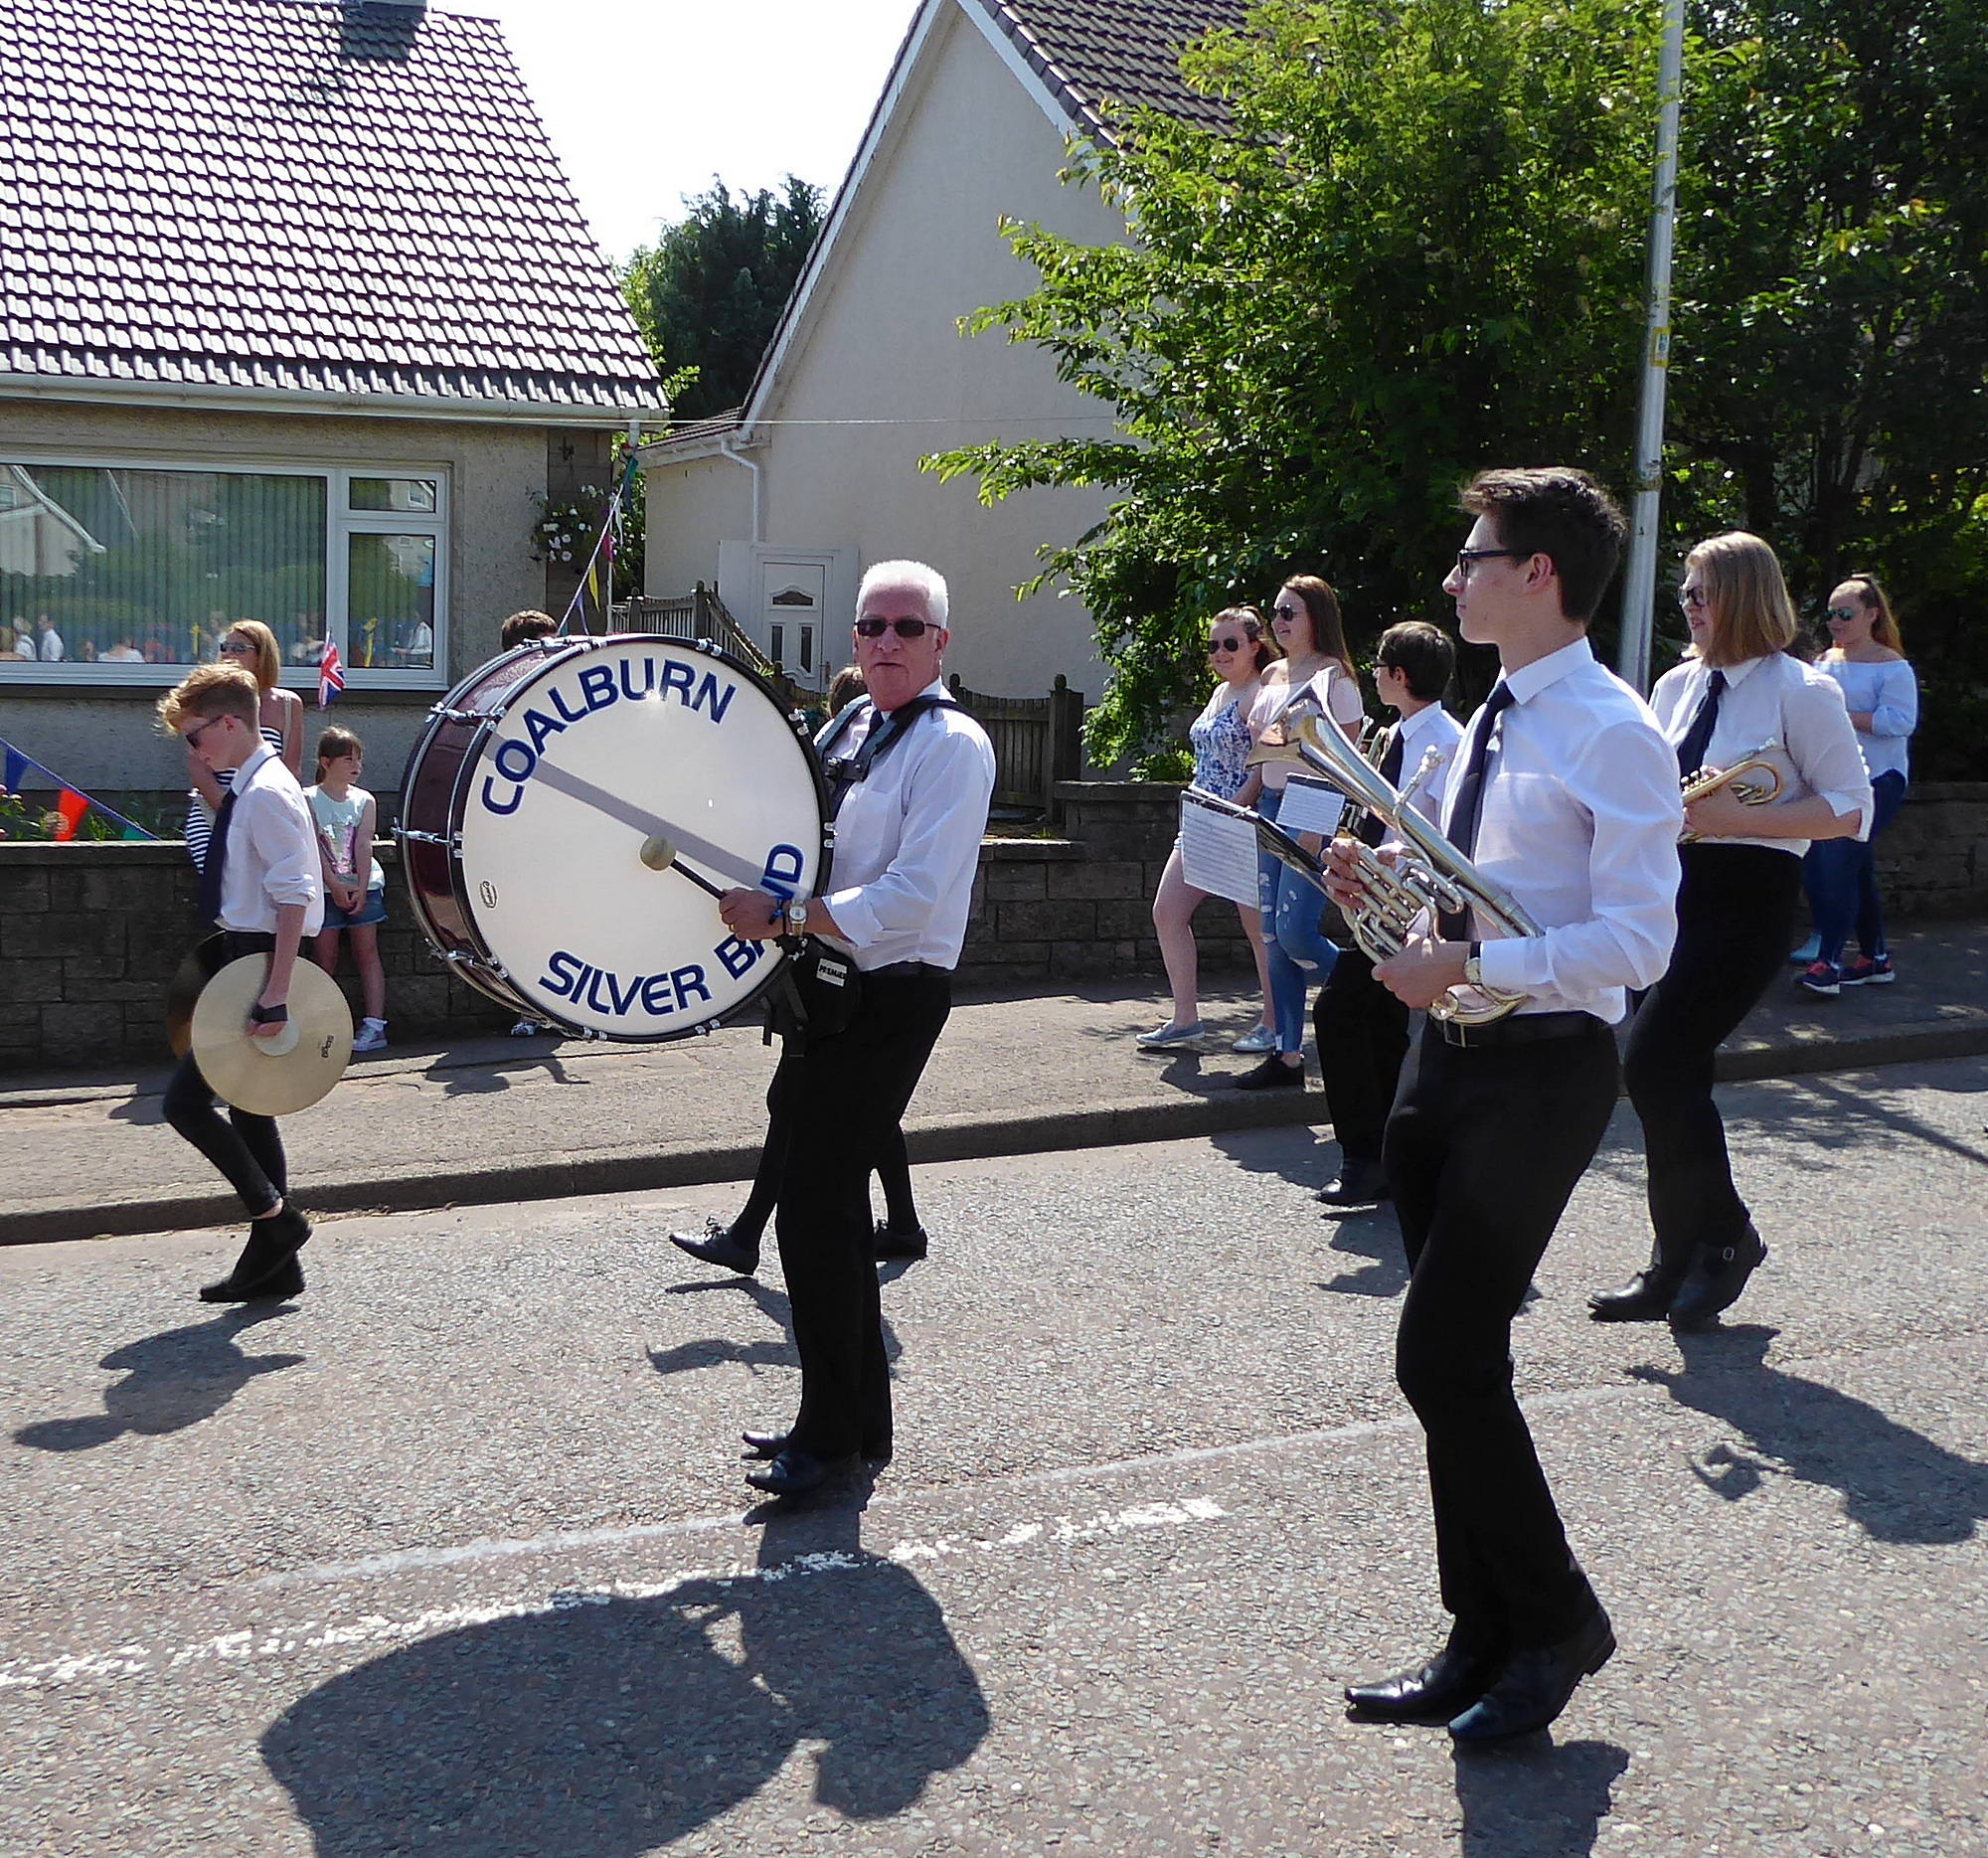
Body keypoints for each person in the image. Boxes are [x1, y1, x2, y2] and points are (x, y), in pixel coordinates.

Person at [1326, 467, 1682, 1743]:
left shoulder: (1612, 730)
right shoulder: (1485, 721)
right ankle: (1478, 1632)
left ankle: (1558, 1622)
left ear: (1538, 574)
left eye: (1473, 554)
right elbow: (1459, 890)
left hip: (1539, 1070)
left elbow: (1637, 942)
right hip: (1448, 1058)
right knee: (1455, 1371)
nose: (1452, 576)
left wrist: (1468, 965)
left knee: (1439, 1356)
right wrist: (1386, 886)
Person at [707, 560, 994, 1501]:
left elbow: (912, 896)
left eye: (907, 628)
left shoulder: (954, 745)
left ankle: (828, 1435)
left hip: (894, 993)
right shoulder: (854, 725)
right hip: (826, 991)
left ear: (941, 643)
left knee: (816, 1212)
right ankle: (861, 1420)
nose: (884, 641)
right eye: (871, 626)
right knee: (817, 1199)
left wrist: (786, 914)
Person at [1592, 533, 1870, 1332]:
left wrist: (1731, 817)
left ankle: (1725, 1236)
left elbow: (1850, 808)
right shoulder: (1679, 683)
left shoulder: (1802, 690)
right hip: (1665, 894)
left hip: (1746, 898)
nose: (1688, 605)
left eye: (1700, 593)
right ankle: (1676, 1257)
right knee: (1671, 1084)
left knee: (1653, 1064)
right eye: (1685, 591)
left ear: (1744, 598)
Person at [670, 664, 932, 1270]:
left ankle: (748, 1236)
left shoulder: (931, 743)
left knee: (799, 1101)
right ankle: (902, 1226)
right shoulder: (845, 740)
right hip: (823, 948)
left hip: (840, 953)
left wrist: (788, 916)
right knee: (848, 1105)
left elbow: (906, 887)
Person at [156, 664, 324, 1302]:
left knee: (184, 1104)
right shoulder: (253, 788)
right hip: (243, 952)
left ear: (229, 723)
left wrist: (276, 993)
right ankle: (276, 1268)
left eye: (195, 736)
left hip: (261, 959)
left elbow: (294, 900)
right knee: (250, 1111)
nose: (193, 749)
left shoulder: (270, 794)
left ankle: (278, 1221)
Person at [1311, 620, 1463, 1208]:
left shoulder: (1445, 742)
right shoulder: (1394, 736)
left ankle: (1362, 1157)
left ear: (1398, 676)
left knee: (1338, 1013)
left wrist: (1383, 860)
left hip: (1412, 911)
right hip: (1378, 903)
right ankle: (1393, 1154)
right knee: (1379, 1027)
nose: (1374, 674)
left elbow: (1444, 836)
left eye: (1379, 666)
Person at [1231, 576, 1364, 1089]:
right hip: (1270, 803)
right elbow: (1266, 756)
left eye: (1292, 613)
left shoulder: (1336, 679)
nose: (1281, 622)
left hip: (1310, 805)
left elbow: (1344, 765)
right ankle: (1288, 1056)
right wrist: (1239, 803)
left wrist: (1316, 825)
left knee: (1295, 930)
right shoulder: (1274, 675)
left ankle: (1369, 991)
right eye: (1277, 612)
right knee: (1271, 936)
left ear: (1317, 618)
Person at [1135, 607, 1278, 1053]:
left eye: (1230, 644)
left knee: (1258, 930)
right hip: (1201, 820)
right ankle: (1185, 1019)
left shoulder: (1260, 694)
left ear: (1255, 645)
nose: (1220, 652)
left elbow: (1264, 763)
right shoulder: (1221, 692)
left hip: (1239, 823)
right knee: (1167, 912)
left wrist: (1238, 806)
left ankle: (1274, 1024)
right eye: (1214, 645)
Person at [1795, 574, 1917, 993]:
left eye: (1844, 613)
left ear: (1871, 615)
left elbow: (1900, 722)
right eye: (1830, 613)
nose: (1835, 621)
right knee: (1855, 869)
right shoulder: (1823, 662)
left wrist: (1841, 719)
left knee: (1838, 864)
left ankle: (1829, 962)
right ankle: (1875, 958)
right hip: (1832, 780)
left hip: (1879, 781)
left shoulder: (1892, 666)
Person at [185, 621, 303, 877]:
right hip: (214, 809)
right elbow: (197, 766)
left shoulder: (288, 704)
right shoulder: (206, 700)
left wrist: (260, 815)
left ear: (262, 655)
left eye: (239, 648)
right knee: (225, 879)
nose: (229, 654)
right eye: (225, 647)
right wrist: (232, 813)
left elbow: (291, 769)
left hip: (265, 808)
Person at [307, 726, 390, 1055]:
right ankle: (323, 1026)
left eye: (358, 760)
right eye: (347, 759)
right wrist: (334, 886)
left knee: (367, 953)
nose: (356, 766)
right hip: (326, 892)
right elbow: (312, 846)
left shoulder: (364, 800)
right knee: (324, 957)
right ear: (326, 763)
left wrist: (359, 884)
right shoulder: (307, 798)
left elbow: (364, 845)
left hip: (364, 889)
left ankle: (375, 1024)